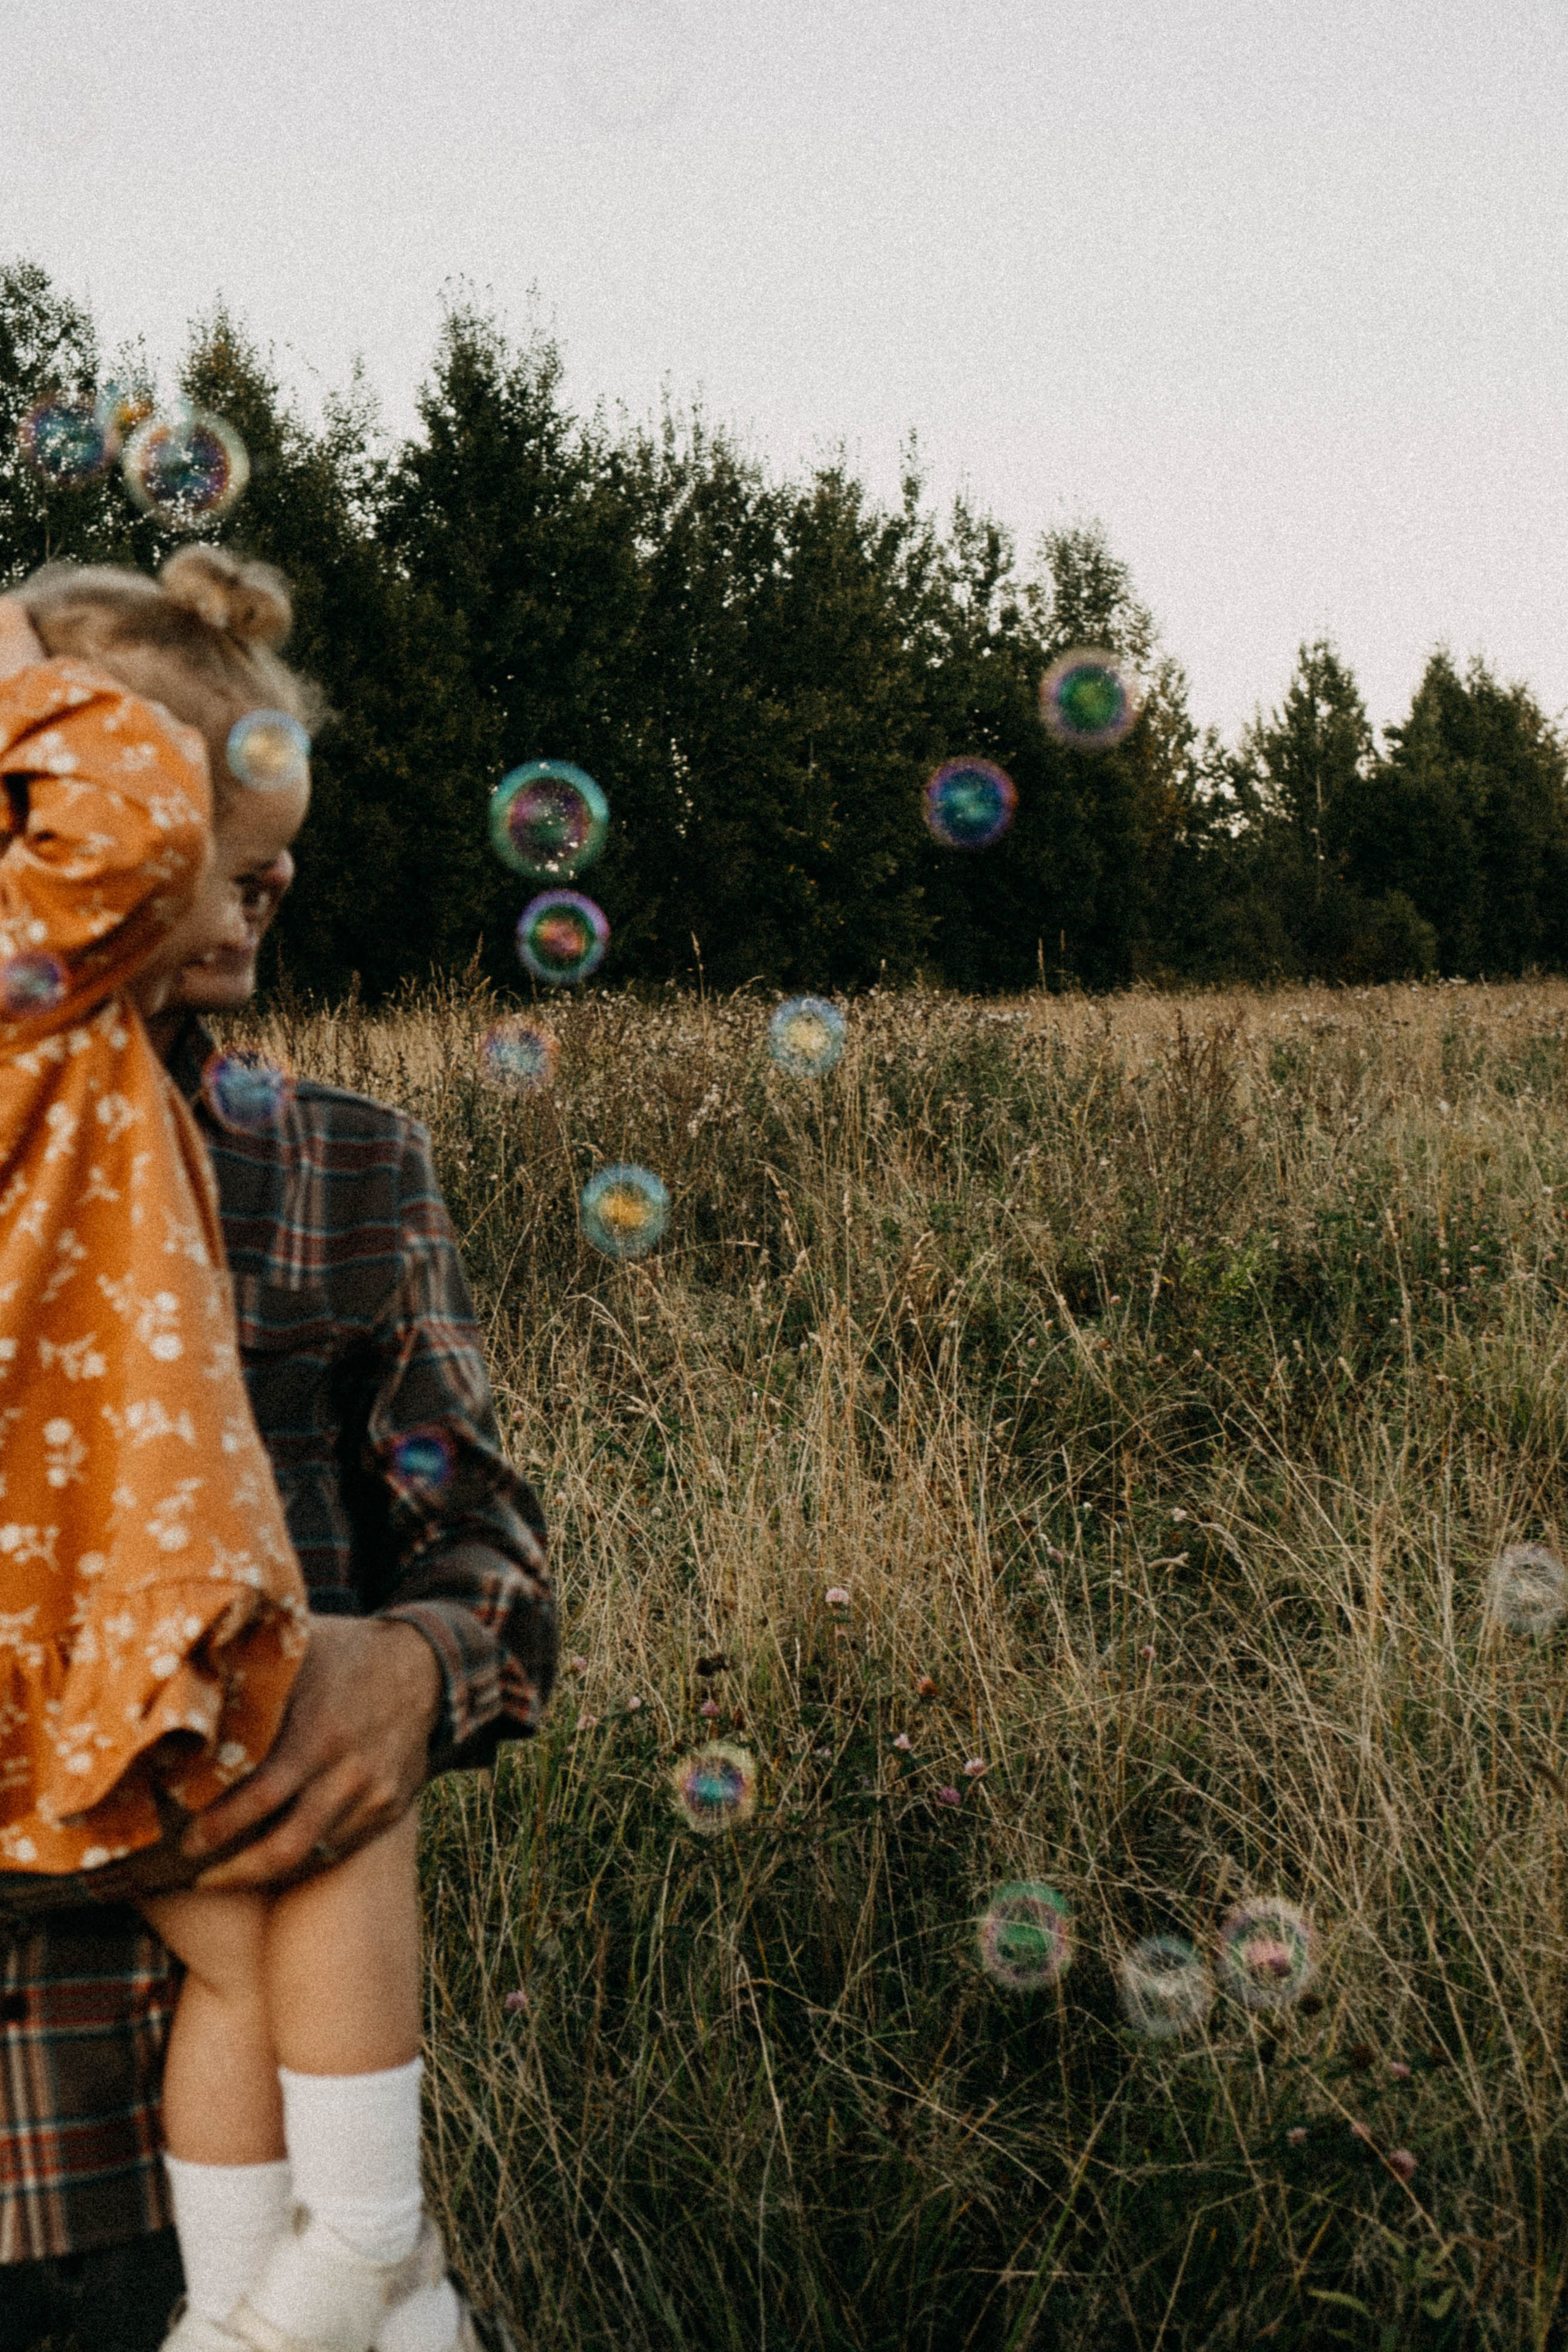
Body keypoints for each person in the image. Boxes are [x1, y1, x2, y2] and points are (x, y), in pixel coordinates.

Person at [0, 554, 554, 2352]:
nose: (279, 870)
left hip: (167, 2160)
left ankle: (342, 2279)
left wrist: (416, 1666)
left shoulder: (345, 1167)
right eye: (217, 815)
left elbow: (486, 1547)